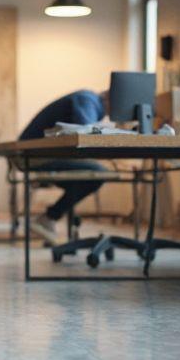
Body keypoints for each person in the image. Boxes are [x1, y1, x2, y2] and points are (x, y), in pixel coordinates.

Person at [19, 89, 109, 244]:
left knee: (89, 175)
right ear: (110, 97)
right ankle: (48, 218)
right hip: (34, 157)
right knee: (98, 173)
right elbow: (87, 133)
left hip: (37, 155)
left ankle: (48, 220)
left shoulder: (89, 100)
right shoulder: (88, 99)